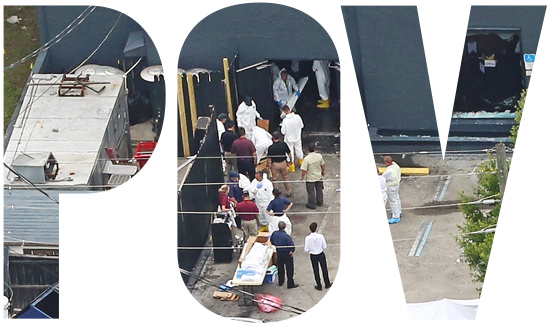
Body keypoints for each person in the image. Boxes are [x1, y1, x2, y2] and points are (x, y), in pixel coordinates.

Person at [270, 221, 299, 289]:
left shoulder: (274, 234)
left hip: (279, 253)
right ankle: (290, 283)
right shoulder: (286, 236)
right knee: (289, 269)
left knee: (280, 268)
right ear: (285, 227)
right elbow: (292, 246)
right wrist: (292, 251)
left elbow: (272, 241)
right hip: (287, 254)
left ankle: (281, 281)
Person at [304, 222, 332, 291]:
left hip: (313, 255)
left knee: (316, 270)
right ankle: (327, 283)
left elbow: (306, 249)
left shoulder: (307, 238)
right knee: (324, 269)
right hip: (320, 254)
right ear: (316, 228)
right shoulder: (321, 236)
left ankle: (319, 285)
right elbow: (324, 246)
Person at [267, 131, 292, 196]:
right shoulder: (284, 144)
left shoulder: (271, 148)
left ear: (273, 138)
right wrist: (290, 161)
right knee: (285, 178)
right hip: (283, 163)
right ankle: (288, 191)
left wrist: (268, 166)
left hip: (275, 164)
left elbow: (269, 158)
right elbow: (289, 154)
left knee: (275, 179)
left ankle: (276, 192)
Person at [301, 143, 325, 209]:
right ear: (315, 148)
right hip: (318, 177)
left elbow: (304, 170)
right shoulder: (319, 156)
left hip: (310, 178)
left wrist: (302, 178)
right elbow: (323, 165)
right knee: (319, 190)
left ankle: (312, 204)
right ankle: (320, 202)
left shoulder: (306, 159)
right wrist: (323, 172)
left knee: (311, 192)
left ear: (308, 149)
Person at [280, 105, 304, 172]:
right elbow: (302, 126)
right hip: (297, 137)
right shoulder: (297, 117)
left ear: (284, 111)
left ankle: (292, 166)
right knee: (299, 149)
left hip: (289, 139)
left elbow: (283, 132)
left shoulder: (285, 121)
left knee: (290, 152)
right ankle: (302, 163)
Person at [382, 156, 402, 224]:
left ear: (386, 162)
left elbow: (383, 178)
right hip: (397, 184)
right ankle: (399, 211)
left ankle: (396, 216)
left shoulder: (388, 171)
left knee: (392, 201)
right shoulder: (396, 165)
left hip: (391, 186)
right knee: (397, 198)